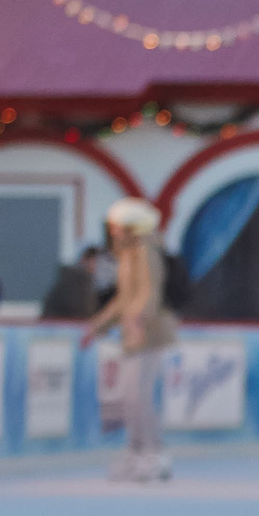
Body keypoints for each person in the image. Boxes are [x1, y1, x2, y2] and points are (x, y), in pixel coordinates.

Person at [80, 199, 175, 482]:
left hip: (148, 333)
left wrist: (139, 318)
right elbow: (123, 299)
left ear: (130, 227)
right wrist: (98, 326)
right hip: (135, 333)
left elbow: (149, 291)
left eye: (116, 227)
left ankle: (153, 455)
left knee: (139, 397)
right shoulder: (129, 253)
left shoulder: (146, 250)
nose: (112, 232)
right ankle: (136, 454)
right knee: (130, 398)